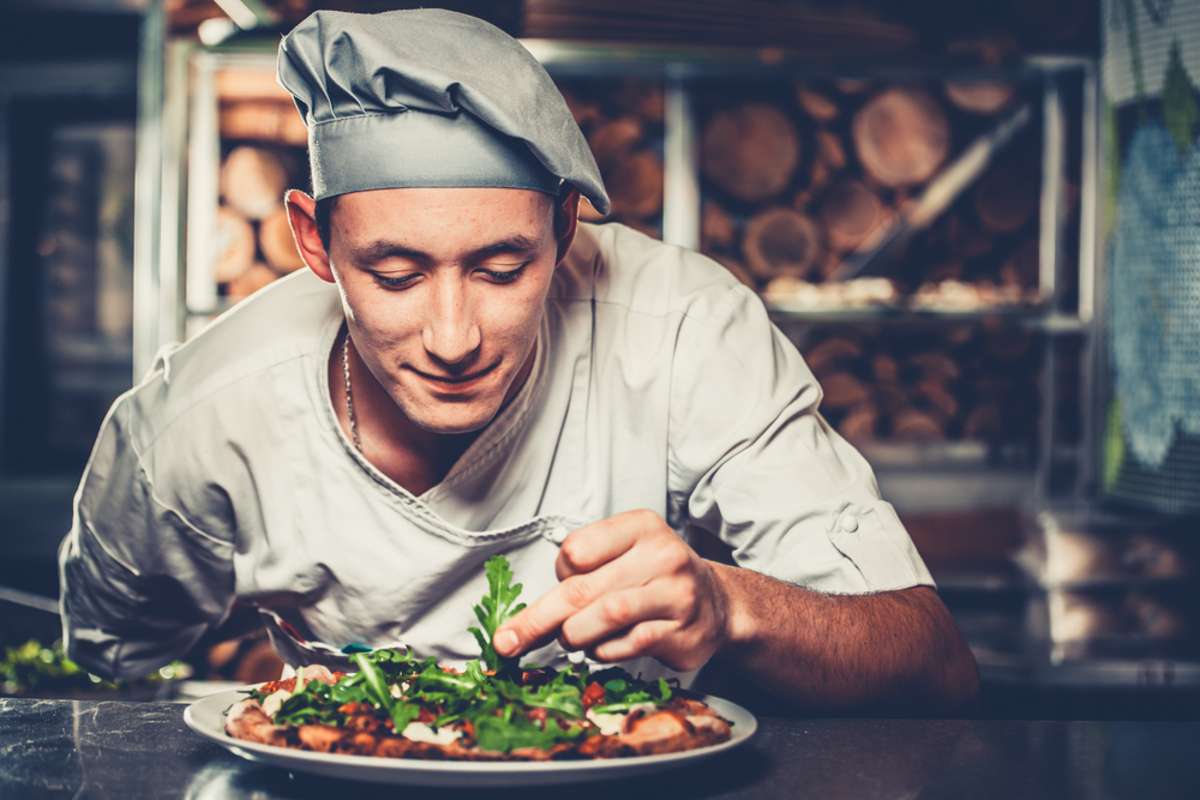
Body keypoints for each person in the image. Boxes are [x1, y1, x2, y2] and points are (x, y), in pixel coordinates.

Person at [58, 8, 978, 711]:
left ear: (565, 227)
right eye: (395, 273)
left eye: (503, 268)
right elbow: (100, 688)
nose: (453, 337)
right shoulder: (193, 428)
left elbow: (935, 665)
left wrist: (732, 607)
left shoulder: (683, 326)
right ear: (312, 241)